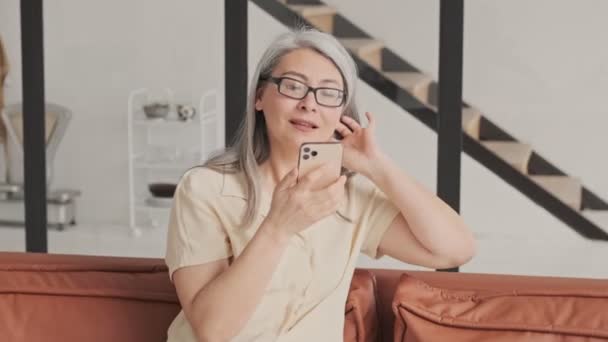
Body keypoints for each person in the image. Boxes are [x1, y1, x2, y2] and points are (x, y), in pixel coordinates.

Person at [164, 28, 476, 342]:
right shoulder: (204, 188)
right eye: (293, 86)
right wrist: (278, 227)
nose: (309, 104)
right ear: (259, 97)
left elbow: (454, 250)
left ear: (341, 111)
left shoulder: (350, 196)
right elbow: (212, 331)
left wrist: (378, 167)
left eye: (328, 93)